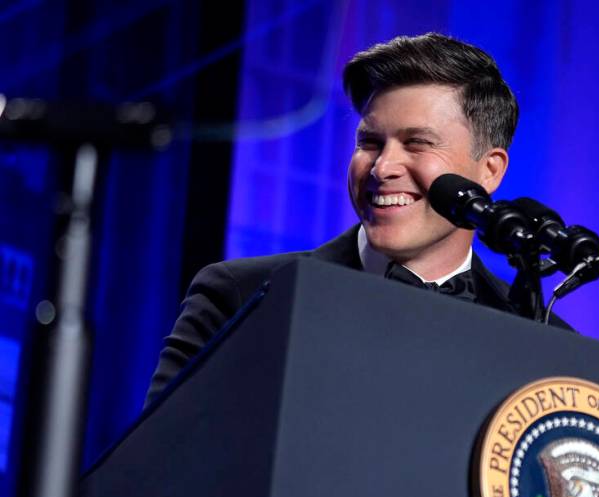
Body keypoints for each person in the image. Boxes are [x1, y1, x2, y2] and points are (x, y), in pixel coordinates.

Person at [145, 33, 570, 407]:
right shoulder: (240, 296)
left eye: (417, 143)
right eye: (369, 142)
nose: (383, 167)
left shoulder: (547, 341)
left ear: (490, 171)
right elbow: (157, 464)